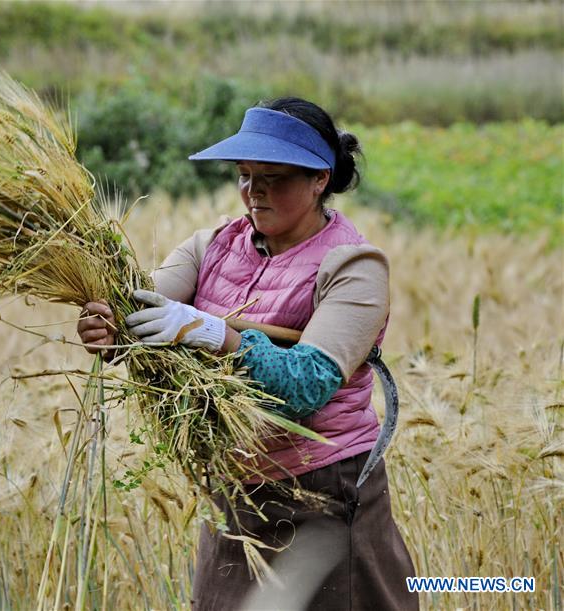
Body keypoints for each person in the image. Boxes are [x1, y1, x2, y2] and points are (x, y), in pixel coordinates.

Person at [77, 97, 417, 610]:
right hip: (235, 493)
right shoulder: (211, 246)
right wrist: (110, 327)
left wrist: (217, 335)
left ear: (319, 178)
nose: (254, 192)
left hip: (323, 491)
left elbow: (306, 384)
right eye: (244, 175)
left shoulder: (355, 267)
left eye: (273, 177)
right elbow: (139, 308)